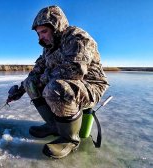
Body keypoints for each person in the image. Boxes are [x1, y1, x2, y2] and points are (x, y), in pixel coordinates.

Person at [7, 5, 109, 159]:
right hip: (66, 83)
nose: (40, 38)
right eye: (38, 34)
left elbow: (73, 71)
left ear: (56, 26)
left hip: (90, 85)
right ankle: (54, 126)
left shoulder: (78, 38)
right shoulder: (49, 48)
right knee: (31, 83)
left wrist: (41, 80)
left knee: (56, 88)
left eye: (44, 32)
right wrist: (20, 91)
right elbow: (37, 70)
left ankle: (70, 139)